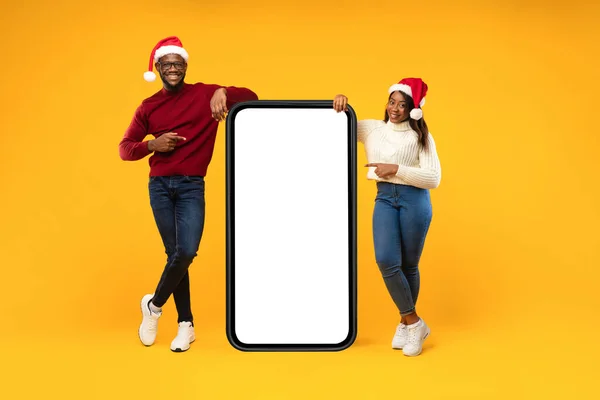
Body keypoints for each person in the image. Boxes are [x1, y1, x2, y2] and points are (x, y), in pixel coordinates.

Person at [118, 36, 258, 352]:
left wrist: (224, 92)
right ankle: (186, 325)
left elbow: (251, 96)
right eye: (166, 64)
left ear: (185, 66)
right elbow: (125, 149)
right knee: (176, 255)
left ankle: (153, 306)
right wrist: (151, 145)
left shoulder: (205, 94)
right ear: (157, 68)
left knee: (186, 252)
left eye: (177, 64)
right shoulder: (149, 107)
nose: (172, 69)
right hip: (160, 187)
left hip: (192, 185)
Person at [333, 77, 441, 356]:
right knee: (386, 260)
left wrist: (395, 169)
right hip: (384, 198)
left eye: (402, 105)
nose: (395, 109)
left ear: (412, 109)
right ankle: (415, 321)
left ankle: (405, 326)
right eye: (392, 102)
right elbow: (336, 125)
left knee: (408, 266)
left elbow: (433, 178)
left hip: (414, 201)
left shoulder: (421, 137)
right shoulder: (372, 129)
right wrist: (341, 102)